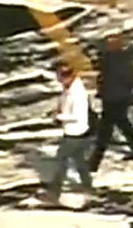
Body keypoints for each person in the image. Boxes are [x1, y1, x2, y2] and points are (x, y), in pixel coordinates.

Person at [88, 33, 133, 172]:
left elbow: (132, 77)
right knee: (123, 125)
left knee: (106, 129)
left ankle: (94, 164)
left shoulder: (117, 60)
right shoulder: (113, 59)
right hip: (116, 97)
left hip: (115, 98)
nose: (107, 46)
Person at [44, 62, 95, 204]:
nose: (58, 80)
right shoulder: (69, 88)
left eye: (60, 77)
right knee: (79, 161)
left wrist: (59, 117)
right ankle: (88, 186)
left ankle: (54, 192)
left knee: (61, 161)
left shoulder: (77, 93)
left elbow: (77, 115)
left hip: (76, 131)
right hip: (74, 131)